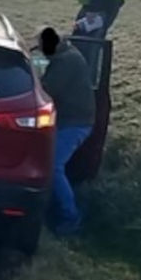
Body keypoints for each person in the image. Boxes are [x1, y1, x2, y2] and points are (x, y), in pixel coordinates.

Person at [38, 27, 95, 235]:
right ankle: (47, 207)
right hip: (69, 119)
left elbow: (46, 90)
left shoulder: (65, 62)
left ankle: (70, 217)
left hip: (75, 123)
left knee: (53, 166)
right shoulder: (67, 55)